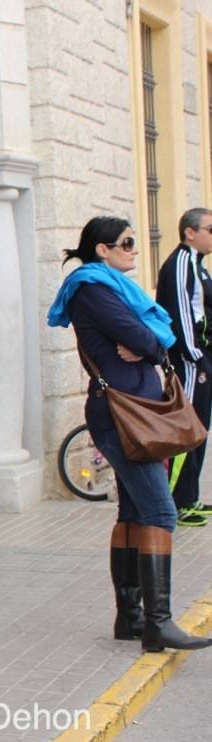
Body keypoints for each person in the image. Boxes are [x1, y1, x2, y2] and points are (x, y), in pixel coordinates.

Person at [47, 216, 211, 651]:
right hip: (124, 414)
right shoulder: (92, 289)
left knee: (135, 513)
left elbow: (155, 337)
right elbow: (149, 338)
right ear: (102, 250)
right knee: (161, 512)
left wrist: (149, 344)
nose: (134, 249)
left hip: (135, 410)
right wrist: (149, 345)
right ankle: (158, 623)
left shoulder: (112, 288)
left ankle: (131, 618)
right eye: (126, 243)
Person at [154, 208, 212, 525]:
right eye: (210, 229)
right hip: (189, 363)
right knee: (185, 430)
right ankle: (176, 503)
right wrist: (195, 356)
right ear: (190, 232)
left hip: (201, 360)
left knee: (199, 430)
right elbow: (180, 314)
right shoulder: (181, 263)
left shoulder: (197, 264)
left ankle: (190, 498)